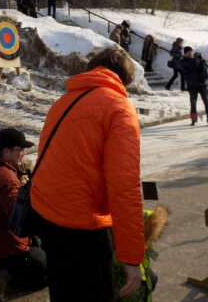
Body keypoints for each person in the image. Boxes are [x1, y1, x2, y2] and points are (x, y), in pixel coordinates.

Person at [31, 47, 145, 301]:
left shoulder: (63, 101)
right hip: (84, 226)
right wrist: (131, 257)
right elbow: (124, 185)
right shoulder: (119, 107)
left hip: (48, 216)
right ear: (124, 79)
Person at [0, 128, 47, 301]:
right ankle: (4, 276)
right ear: (6, 151)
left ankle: (10, 269)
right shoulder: (5, 178)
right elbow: (21, 221)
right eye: (20, 149)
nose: (23, 154)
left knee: (41, 252)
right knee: (49, 273)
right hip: (2, 247)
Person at [180, 47, 208, 127]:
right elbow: (185, 70)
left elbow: (206, 67)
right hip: (192, 85)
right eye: (189, 52)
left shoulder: (197, 59)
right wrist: (195, 60)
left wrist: (201, 59)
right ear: (185, 53)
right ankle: (193, 120)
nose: (191, 53)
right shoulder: (183, 61)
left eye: (191, 51)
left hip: (203, 84)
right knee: (193, 104)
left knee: (207, 103)